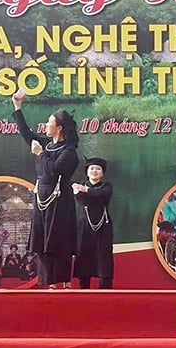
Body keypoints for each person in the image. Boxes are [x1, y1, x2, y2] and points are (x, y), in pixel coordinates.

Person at [11, 91, 79, 289]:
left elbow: (55, 170)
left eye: (50, 122)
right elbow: (27, 134)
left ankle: (64, 282)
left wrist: (40, 155)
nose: (46, 125)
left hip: (59, 200)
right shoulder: (48, 146)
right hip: (42, 198)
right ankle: (47, 283)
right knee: (42, 240)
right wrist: (18, 107)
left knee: (59, 240)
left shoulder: (69, 151)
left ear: (59, 128)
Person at [72, 157, 114, 289]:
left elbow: (101, 195)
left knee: (104, 259)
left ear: (102, 173)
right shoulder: (80, 185)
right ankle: (83, 293)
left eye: (98, 169)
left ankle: (106, 294)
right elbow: (83, 201)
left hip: (103, 226)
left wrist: (85, 190)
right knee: (84, 257)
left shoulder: (107, 186)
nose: (94, 171)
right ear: (87, 172)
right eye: (91, 168)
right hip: (84, 226)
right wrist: (83, 191)